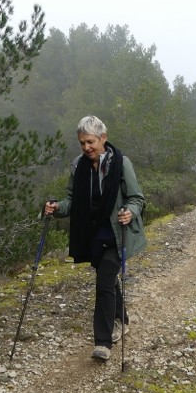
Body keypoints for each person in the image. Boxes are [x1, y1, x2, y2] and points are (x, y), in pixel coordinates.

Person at [44, 116, 146, 362]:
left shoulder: (122, 164)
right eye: (82, 143)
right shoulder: (77, 165)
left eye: (90, 142)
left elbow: (137, 198)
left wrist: (130, 212)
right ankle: (121, 319)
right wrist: (56, 207)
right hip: (93, 235)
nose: (86, 147)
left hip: (116, 234)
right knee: (109, 279)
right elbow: (72, 200)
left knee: (104, 281)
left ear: (103, 138)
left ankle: (103, 341)